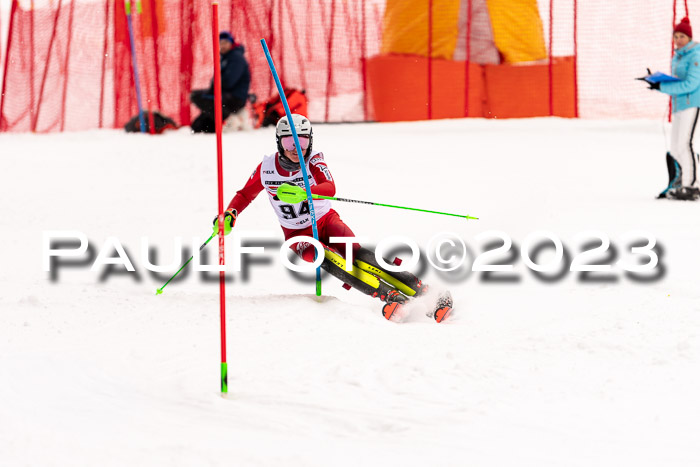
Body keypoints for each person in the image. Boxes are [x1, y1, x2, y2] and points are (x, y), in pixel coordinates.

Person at [212, 114, 452, 322]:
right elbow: (245, 194)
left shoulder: (314, 159)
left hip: (326, 220)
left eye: (302, 140)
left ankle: (425, 291)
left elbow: (330, 187)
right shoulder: (266, 168)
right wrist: (230, 214)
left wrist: (307, 190)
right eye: (288, 141)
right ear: (278, 142)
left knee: (355, 253)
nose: (296, 147)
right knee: (324, 257)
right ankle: (390, 296)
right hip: (297, 234)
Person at [649, 17, 700, 200]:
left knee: (686, 145)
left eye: (682, 36)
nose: (678, 40)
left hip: (692, 104)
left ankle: (692, 186)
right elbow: (677, 81)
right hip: (679, 105)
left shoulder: (696, 54)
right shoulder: (678, 55)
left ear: (689, 37)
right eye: (676, 36)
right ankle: (680, 183)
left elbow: (691, 84)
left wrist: (663, 87)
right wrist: (658, 81)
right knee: (676, 147)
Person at [190, 31, 251, 133]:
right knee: (199, 126)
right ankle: (227, 117)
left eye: (225, 43)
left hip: (234, 98)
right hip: (226, 96)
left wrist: (213, 88)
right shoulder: (226, 58)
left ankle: (229, 118)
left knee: (196, 96)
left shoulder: (236, 58)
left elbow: (228, 82)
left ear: (231, 43)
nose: (222, 46)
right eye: (220, 43)